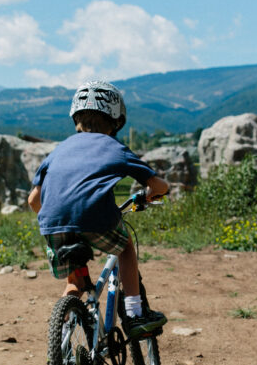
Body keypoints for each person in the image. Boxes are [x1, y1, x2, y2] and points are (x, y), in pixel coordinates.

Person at [27, 79, 170, 337]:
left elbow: (33, 201)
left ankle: (62, 342)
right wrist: (152, 194)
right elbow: (159, 185)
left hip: (53, 224)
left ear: (75, 117)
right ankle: (136, 314)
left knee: (75, 284)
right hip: (96, 219)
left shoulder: (57, 151)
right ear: (117, 119)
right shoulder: (115, 148)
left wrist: (58, 219)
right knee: (125, 247)